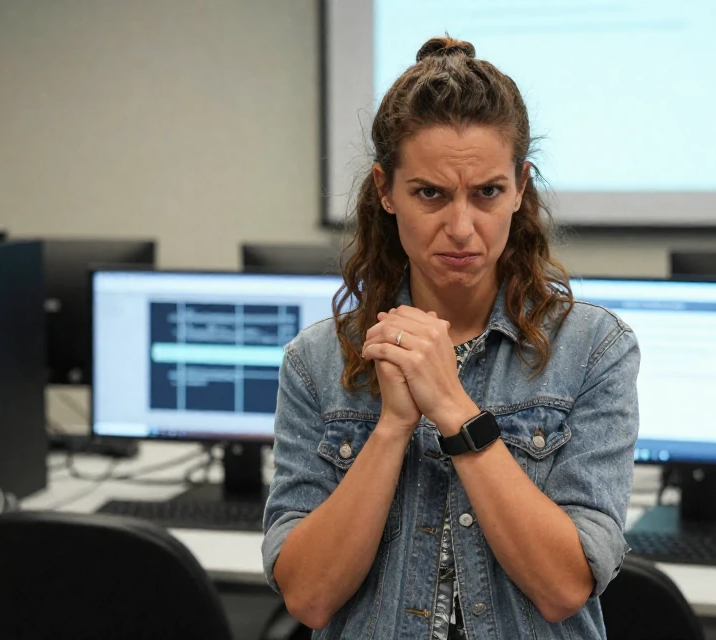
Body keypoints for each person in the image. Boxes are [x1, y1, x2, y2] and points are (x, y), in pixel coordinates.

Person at [262, 35, 639, 639]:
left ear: (520, 188)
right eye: (430, 193)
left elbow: (564, 587)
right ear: (386, 190)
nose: (461, 228)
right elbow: (308, 598)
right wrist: (391, 428)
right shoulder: (315, 362)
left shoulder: (592, 349)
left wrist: (455, 411)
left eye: (487, 192)